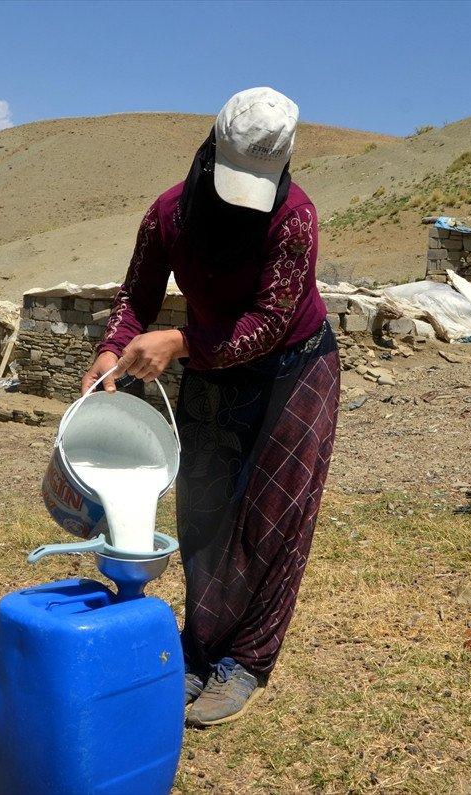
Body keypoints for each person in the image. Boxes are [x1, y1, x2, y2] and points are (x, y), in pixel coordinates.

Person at [82, 87, 340, 727]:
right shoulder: (168, 214)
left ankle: (246, 661)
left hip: (293, 369)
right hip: (211, 367)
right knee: (203, 509)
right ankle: (199, 652)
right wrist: (114, 345)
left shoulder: (294, 218)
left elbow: (268, 324)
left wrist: (179, 341)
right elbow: (136, 295)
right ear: (211, 148)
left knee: (272, 519)